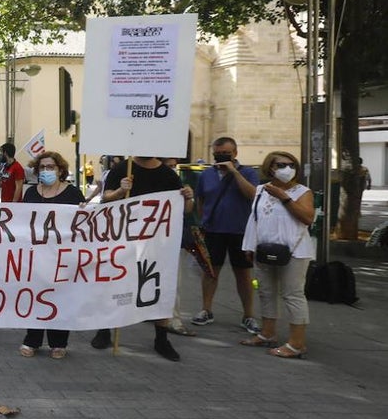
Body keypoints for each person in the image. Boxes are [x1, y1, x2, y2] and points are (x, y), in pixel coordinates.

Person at [89, 155, 194, 361]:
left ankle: (161, 339)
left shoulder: (168, 175)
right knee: (114, 284)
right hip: (123, 239)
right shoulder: (122, 168)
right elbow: (106, 198)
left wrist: (188, 198)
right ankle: (104, 330)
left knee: (160, 286)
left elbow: (185, 209)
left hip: (158, 243)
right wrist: (120, 191)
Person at [240, 151, 315, 358]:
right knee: (266, 291)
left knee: (293, 295)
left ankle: (297, 343)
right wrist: (249, 246)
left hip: (294, 252)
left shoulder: (302, 192)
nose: (287, 169)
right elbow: (255, 219)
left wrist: (284, 198)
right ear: (270, 168)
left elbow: (307, 218)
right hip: (264, 250)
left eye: (291, 165)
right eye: (281, 165)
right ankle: (267, 333)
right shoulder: (261, 190)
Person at [191, 137, 260, 334]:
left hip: (240, 231)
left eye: (225, 154)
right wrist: (203, 220)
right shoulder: (206, 175)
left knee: (243, 274)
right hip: (213, 230)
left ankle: (248, 315)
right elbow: (201, 199)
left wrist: (234, 172)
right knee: (210, 271)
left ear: (235, 153)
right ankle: (206, 310)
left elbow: (252, 194)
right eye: (217, 154)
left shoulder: (248, 173)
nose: (221, 157)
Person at [19, 152, 85, 359]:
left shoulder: (73, 193)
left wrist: (84, 211)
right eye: (42, 167)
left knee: (60, 297)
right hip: (36, 255)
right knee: (36, 296)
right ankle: (33, 339)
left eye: (50, 167)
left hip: (62, 256)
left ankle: (59, 342)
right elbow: (21, 221)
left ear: (60, 170)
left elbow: (83, 223)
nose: (46, 171)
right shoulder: (31, 193)